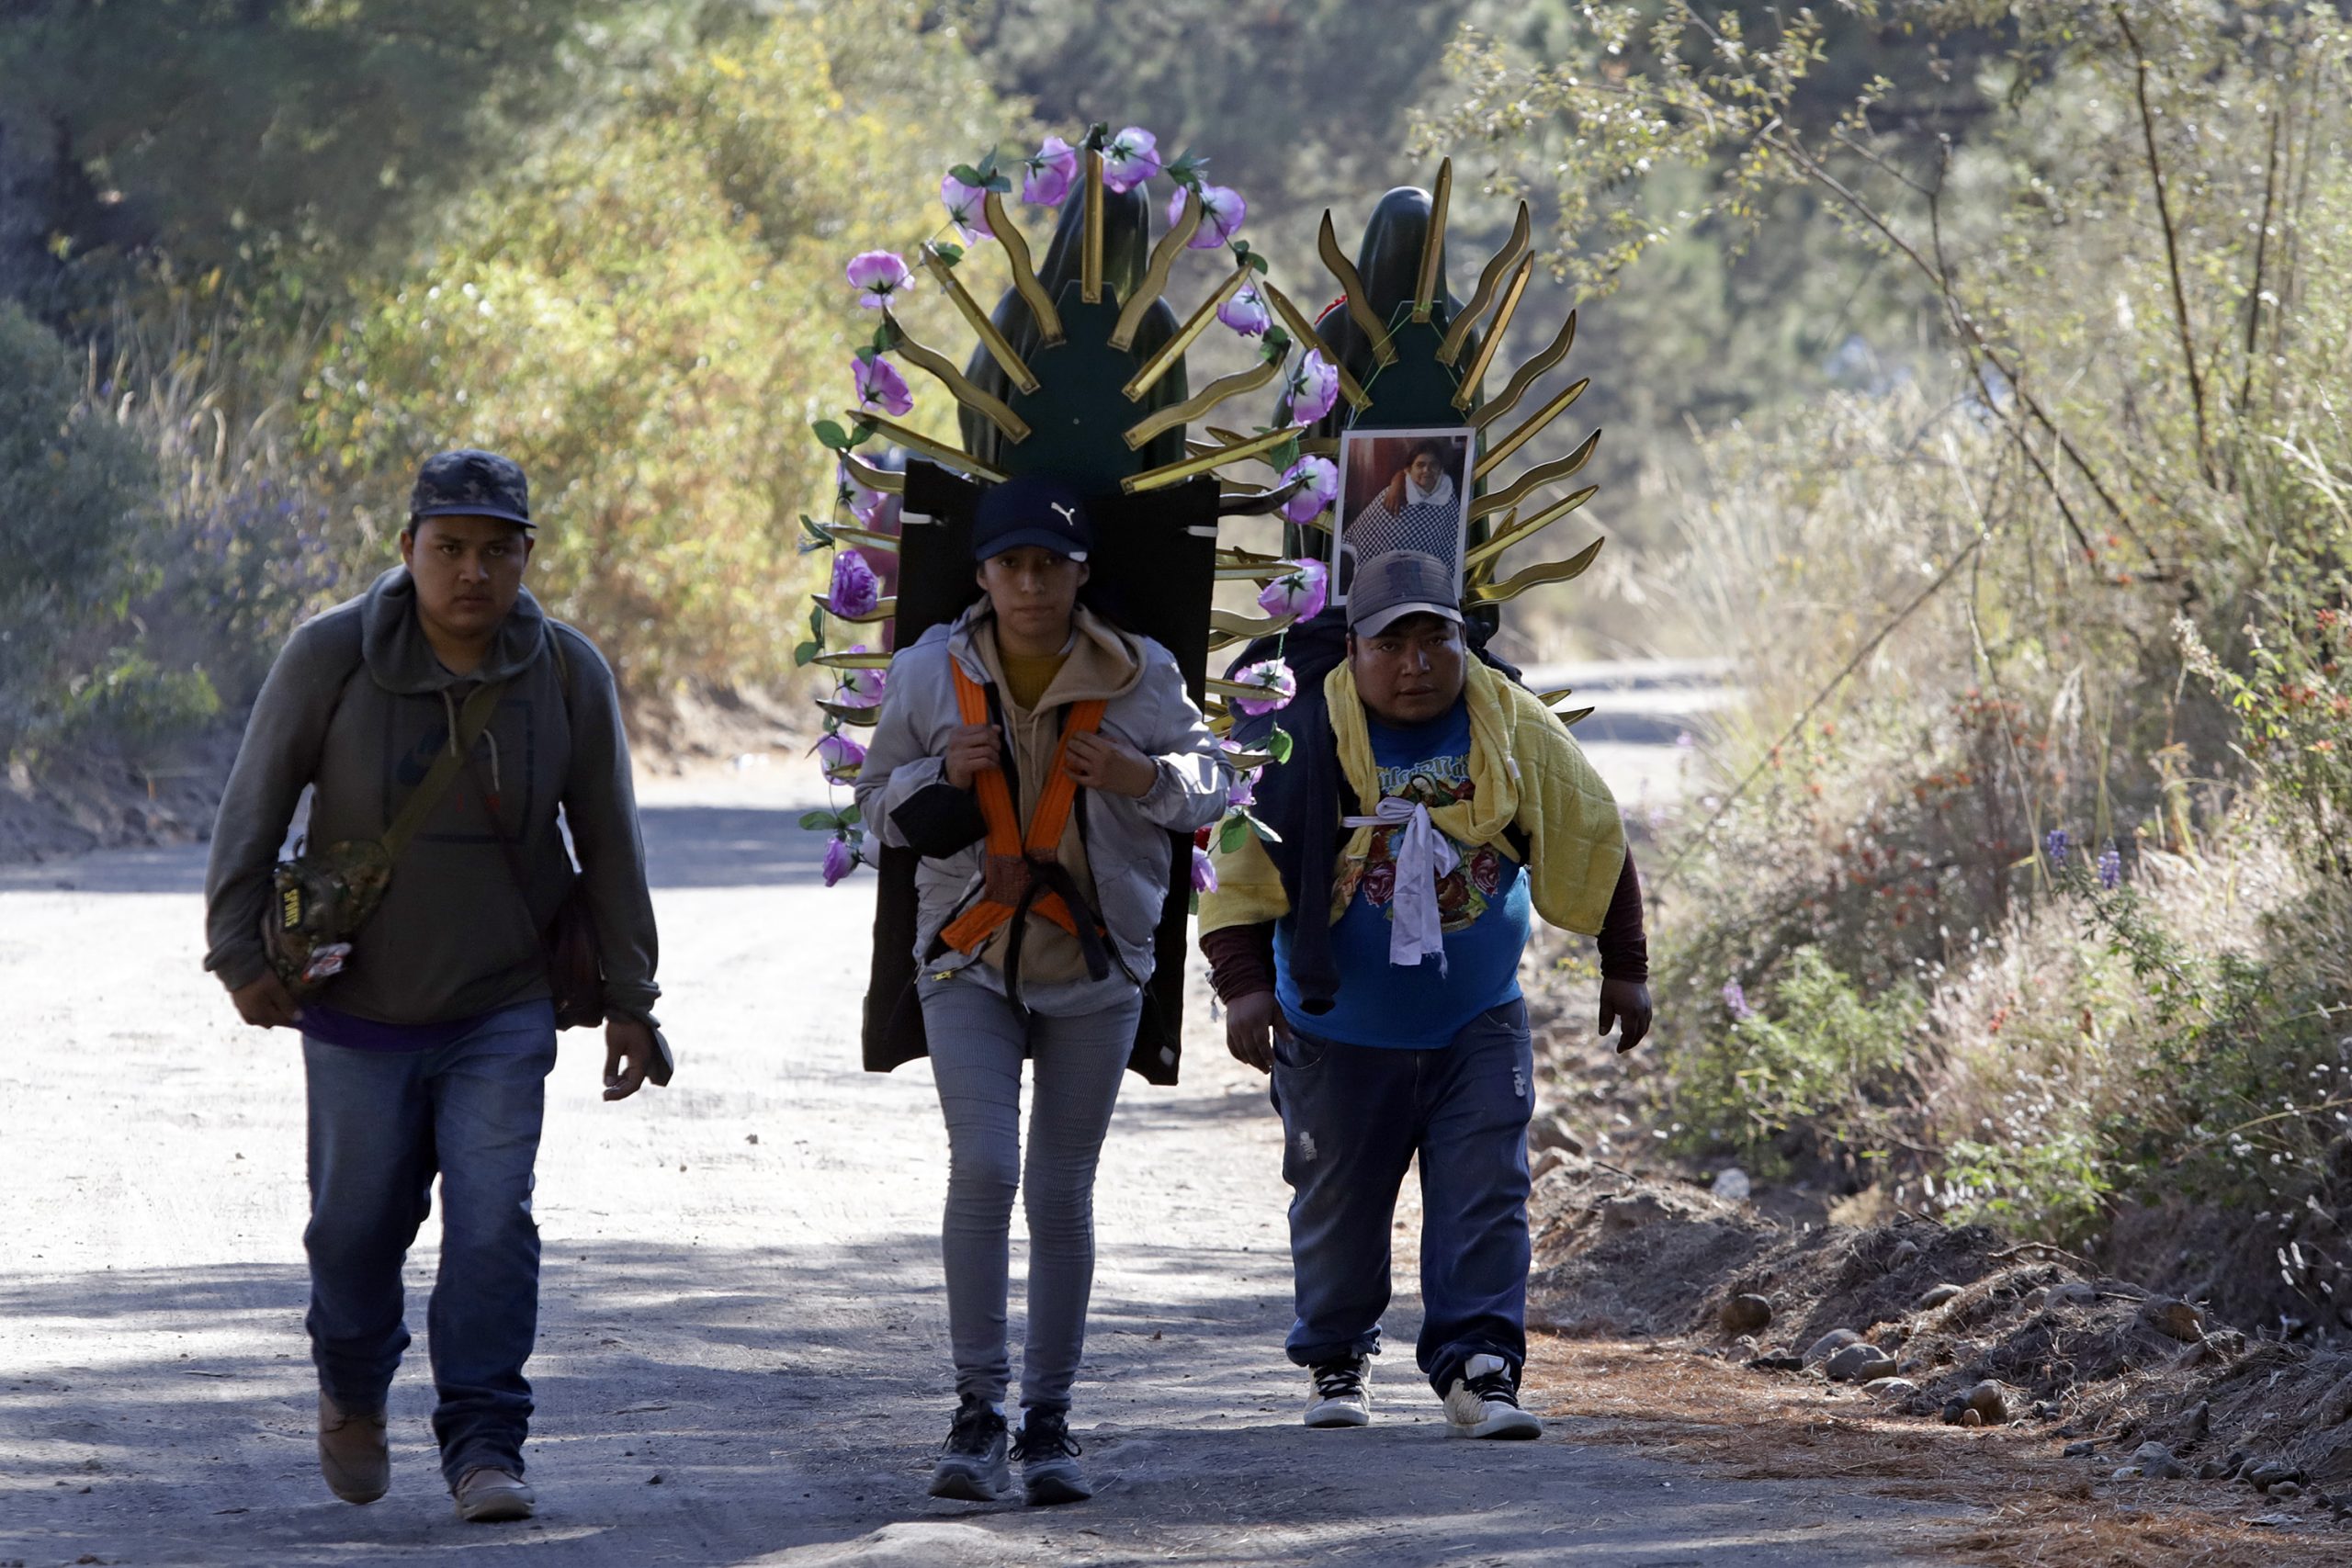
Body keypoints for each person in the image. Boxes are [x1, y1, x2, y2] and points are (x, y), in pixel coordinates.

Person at [202, 449, 665, 1523]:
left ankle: (485, 1444)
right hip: (357, 1007)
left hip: (501, 1005)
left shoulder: (565, 673)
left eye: (496, 551)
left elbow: (611, 842)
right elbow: (253, 809)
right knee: (354, 1230)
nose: (471, 572)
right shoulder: (331, 657)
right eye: (448, 548)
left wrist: (634, 996)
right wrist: (238, 956)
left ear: (526, 558)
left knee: (494, 1222)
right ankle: (354, 1389)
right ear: (406, 550)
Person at [1197, 548, 1652, 1438]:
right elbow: (1235, 863)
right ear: (1352, 651)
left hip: (1474, 1020)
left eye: (1434, 640)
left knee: (1486, 1190)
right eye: (1390, 643)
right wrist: (1244, 988)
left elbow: (1593, 831)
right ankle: (1336, 1355)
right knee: (1334, 1203)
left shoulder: (1508, 725)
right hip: (1333, 1031)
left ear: (1462, 641)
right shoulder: (1298, 736)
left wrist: (1624, 963)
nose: (1415, 664)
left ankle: (1479, 1367)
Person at [854, 474, 1227, 1506]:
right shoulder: (930, 673)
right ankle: (977, 1412)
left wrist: (1137, 779)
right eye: (1012, 565)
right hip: (967, 959)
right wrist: (936, 776)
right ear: (980, 574)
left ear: (1081, 573)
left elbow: (1213, 783)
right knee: (982, 1167)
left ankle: (1048, 1423)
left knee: (1059, 1190)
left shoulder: (1140, 675)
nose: (1031, 583)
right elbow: (874, 804)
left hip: (1097, 970)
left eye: (1050, 565)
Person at [1338, 440, 1463, 596]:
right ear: (1408, 470)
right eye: (1420, 465)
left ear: (1441, 469)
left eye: (1433, 465)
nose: (1427, 470)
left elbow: (1450, 543)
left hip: (1427, 587)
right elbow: (1364, 534)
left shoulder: (1449, 499)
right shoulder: (1390, 495)